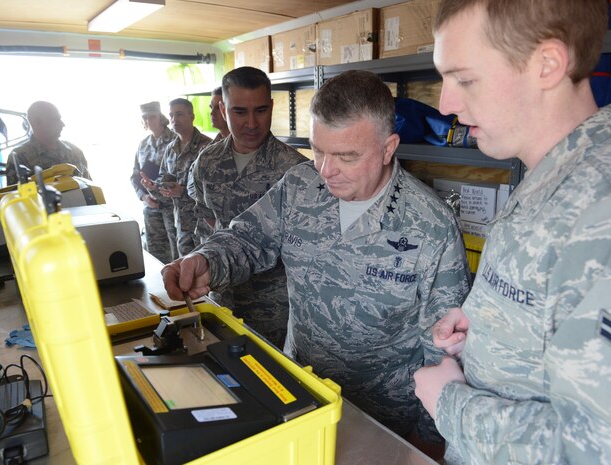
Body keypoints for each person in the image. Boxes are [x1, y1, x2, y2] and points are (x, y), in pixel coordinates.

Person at [163, 69, 471, 456]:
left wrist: (427, 439)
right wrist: (206, 260)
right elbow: (247, 237)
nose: (326, 170)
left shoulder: (431, 225)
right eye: (319, 150)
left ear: (389, 147)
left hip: (385, 420)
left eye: (346, 156)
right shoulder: (299, 185)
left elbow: (445, 347)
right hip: (302, 393)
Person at [413, 2, 611, 465]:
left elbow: (608, 451)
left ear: (547, 65)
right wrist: (489, 335)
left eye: (465, 78)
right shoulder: (552, 179)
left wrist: (451, 405)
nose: (445, 104)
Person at [189, 67, 307, 348]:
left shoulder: (295, 169)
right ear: (222, 108)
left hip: (275, 308)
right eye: (240, 112)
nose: (252, 123)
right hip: (221, 296)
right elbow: (204, 218)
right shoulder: (207, 161)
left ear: (272, 107)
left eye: (261, 110)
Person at [142, 98, 211, 257]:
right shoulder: (170, 149)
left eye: (179, 114)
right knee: (184, 273)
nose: (174, 120)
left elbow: (216, 189)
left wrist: (184, 191)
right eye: (171, 115)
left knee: (208, 275)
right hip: (180, 225)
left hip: (204, 225)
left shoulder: (208, 147)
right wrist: (153, 187)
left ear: (192, 116)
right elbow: (165, 184)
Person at [130, 101, 177, 264]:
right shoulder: (143, 144)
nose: (149, 121)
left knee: (178, 252)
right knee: (156, 255)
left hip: (172, 207)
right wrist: (144, 197)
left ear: (161, 117)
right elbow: (135, 176)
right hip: (151, 208)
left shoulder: (176, 140)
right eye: (145, 117)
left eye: (152, 116)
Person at [5, 101, 90, 185]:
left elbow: (91, 188)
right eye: (55, 119)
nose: (62, 124)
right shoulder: (19, 158)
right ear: (37, 123)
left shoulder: (75, 152)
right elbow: (15, 196)